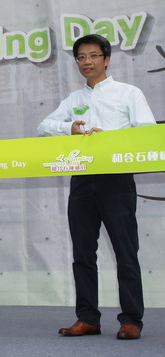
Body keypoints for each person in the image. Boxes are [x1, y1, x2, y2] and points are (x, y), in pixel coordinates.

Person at [38, 34, 156, 340]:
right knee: (82, 253)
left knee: (125, 251)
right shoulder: (74, 100)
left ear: (107, 59)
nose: (87, 62)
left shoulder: (128, 93)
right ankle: (87, 318)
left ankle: (131, 320)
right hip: (81, 178)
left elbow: (147, 135)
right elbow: (44, 127)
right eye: (81, 57)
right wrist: (69, 128)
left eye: (93, 55)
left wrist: (111, 140)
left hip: (116, 179)